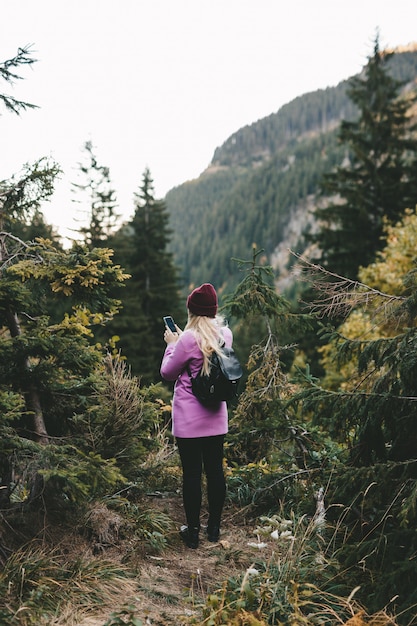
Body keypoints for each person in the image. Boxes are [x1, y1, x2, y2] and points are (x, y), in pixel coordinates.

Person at [160, 283, 233, 549]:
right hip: (216, 416)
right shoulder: (225, 334)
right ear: (214, 310)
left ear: (191, 310)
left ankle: (192, 533)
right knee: (215, 470)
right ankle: (213, 528)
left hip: (189, 419)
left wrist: (172, 345)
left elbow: (168, 372)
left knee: (191, 473)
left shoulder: (187, 340)